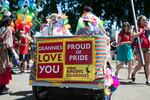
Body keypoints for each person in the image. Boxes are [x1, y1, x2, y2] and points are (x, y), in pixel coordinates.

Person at [131, 15, 150, 85]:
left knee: (147, 64)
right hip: (139, 48)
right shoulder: (136, 28)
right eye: (143, 20)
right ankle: (133, 73)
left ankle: (148, 79)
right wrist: (141, 31)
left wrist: (147, 29)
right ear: (140, 21)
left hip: (147, 47)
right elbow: (133, 36)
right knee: (141, 64)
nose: (145, 21)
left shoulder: (147, 28)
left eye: (146, 19)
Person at [0, 16, 13, 94]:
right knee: (4, 69)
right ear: (7, 21)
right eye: (10, 21)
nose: (11, 23)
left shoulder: (0, 28)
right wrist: (11, 53)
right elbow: (9, 43)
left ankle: (3, 87)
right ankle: (2, 89)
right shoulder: (8, 29)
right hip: (4, 51)